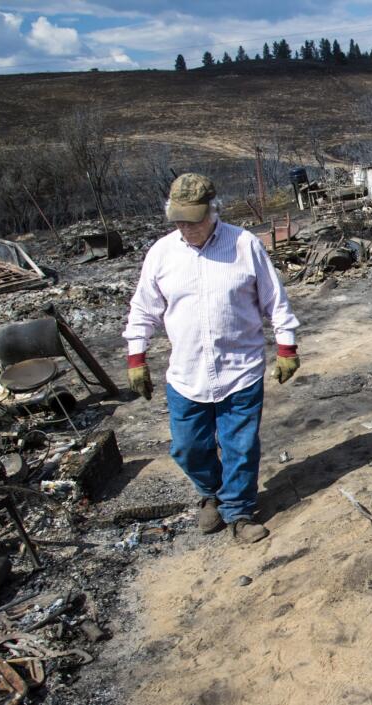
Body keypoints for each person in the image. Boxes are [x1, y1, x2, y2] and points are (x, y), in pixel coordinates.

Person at [123, 173, 300, 544]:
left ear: (212, 211)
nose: (186, 228)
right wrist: (136, 356)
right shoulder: (161, 254)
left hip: (240, 370)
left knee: (240, 446)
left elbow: (275, 300)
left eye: (193, 220)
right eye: (179, 221)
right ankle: (211, 492)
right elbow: (144, 310)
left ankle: (238, 511)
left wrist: (287, 347)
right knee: (188, 446)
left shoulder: (244, 245)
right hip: (187, 375)